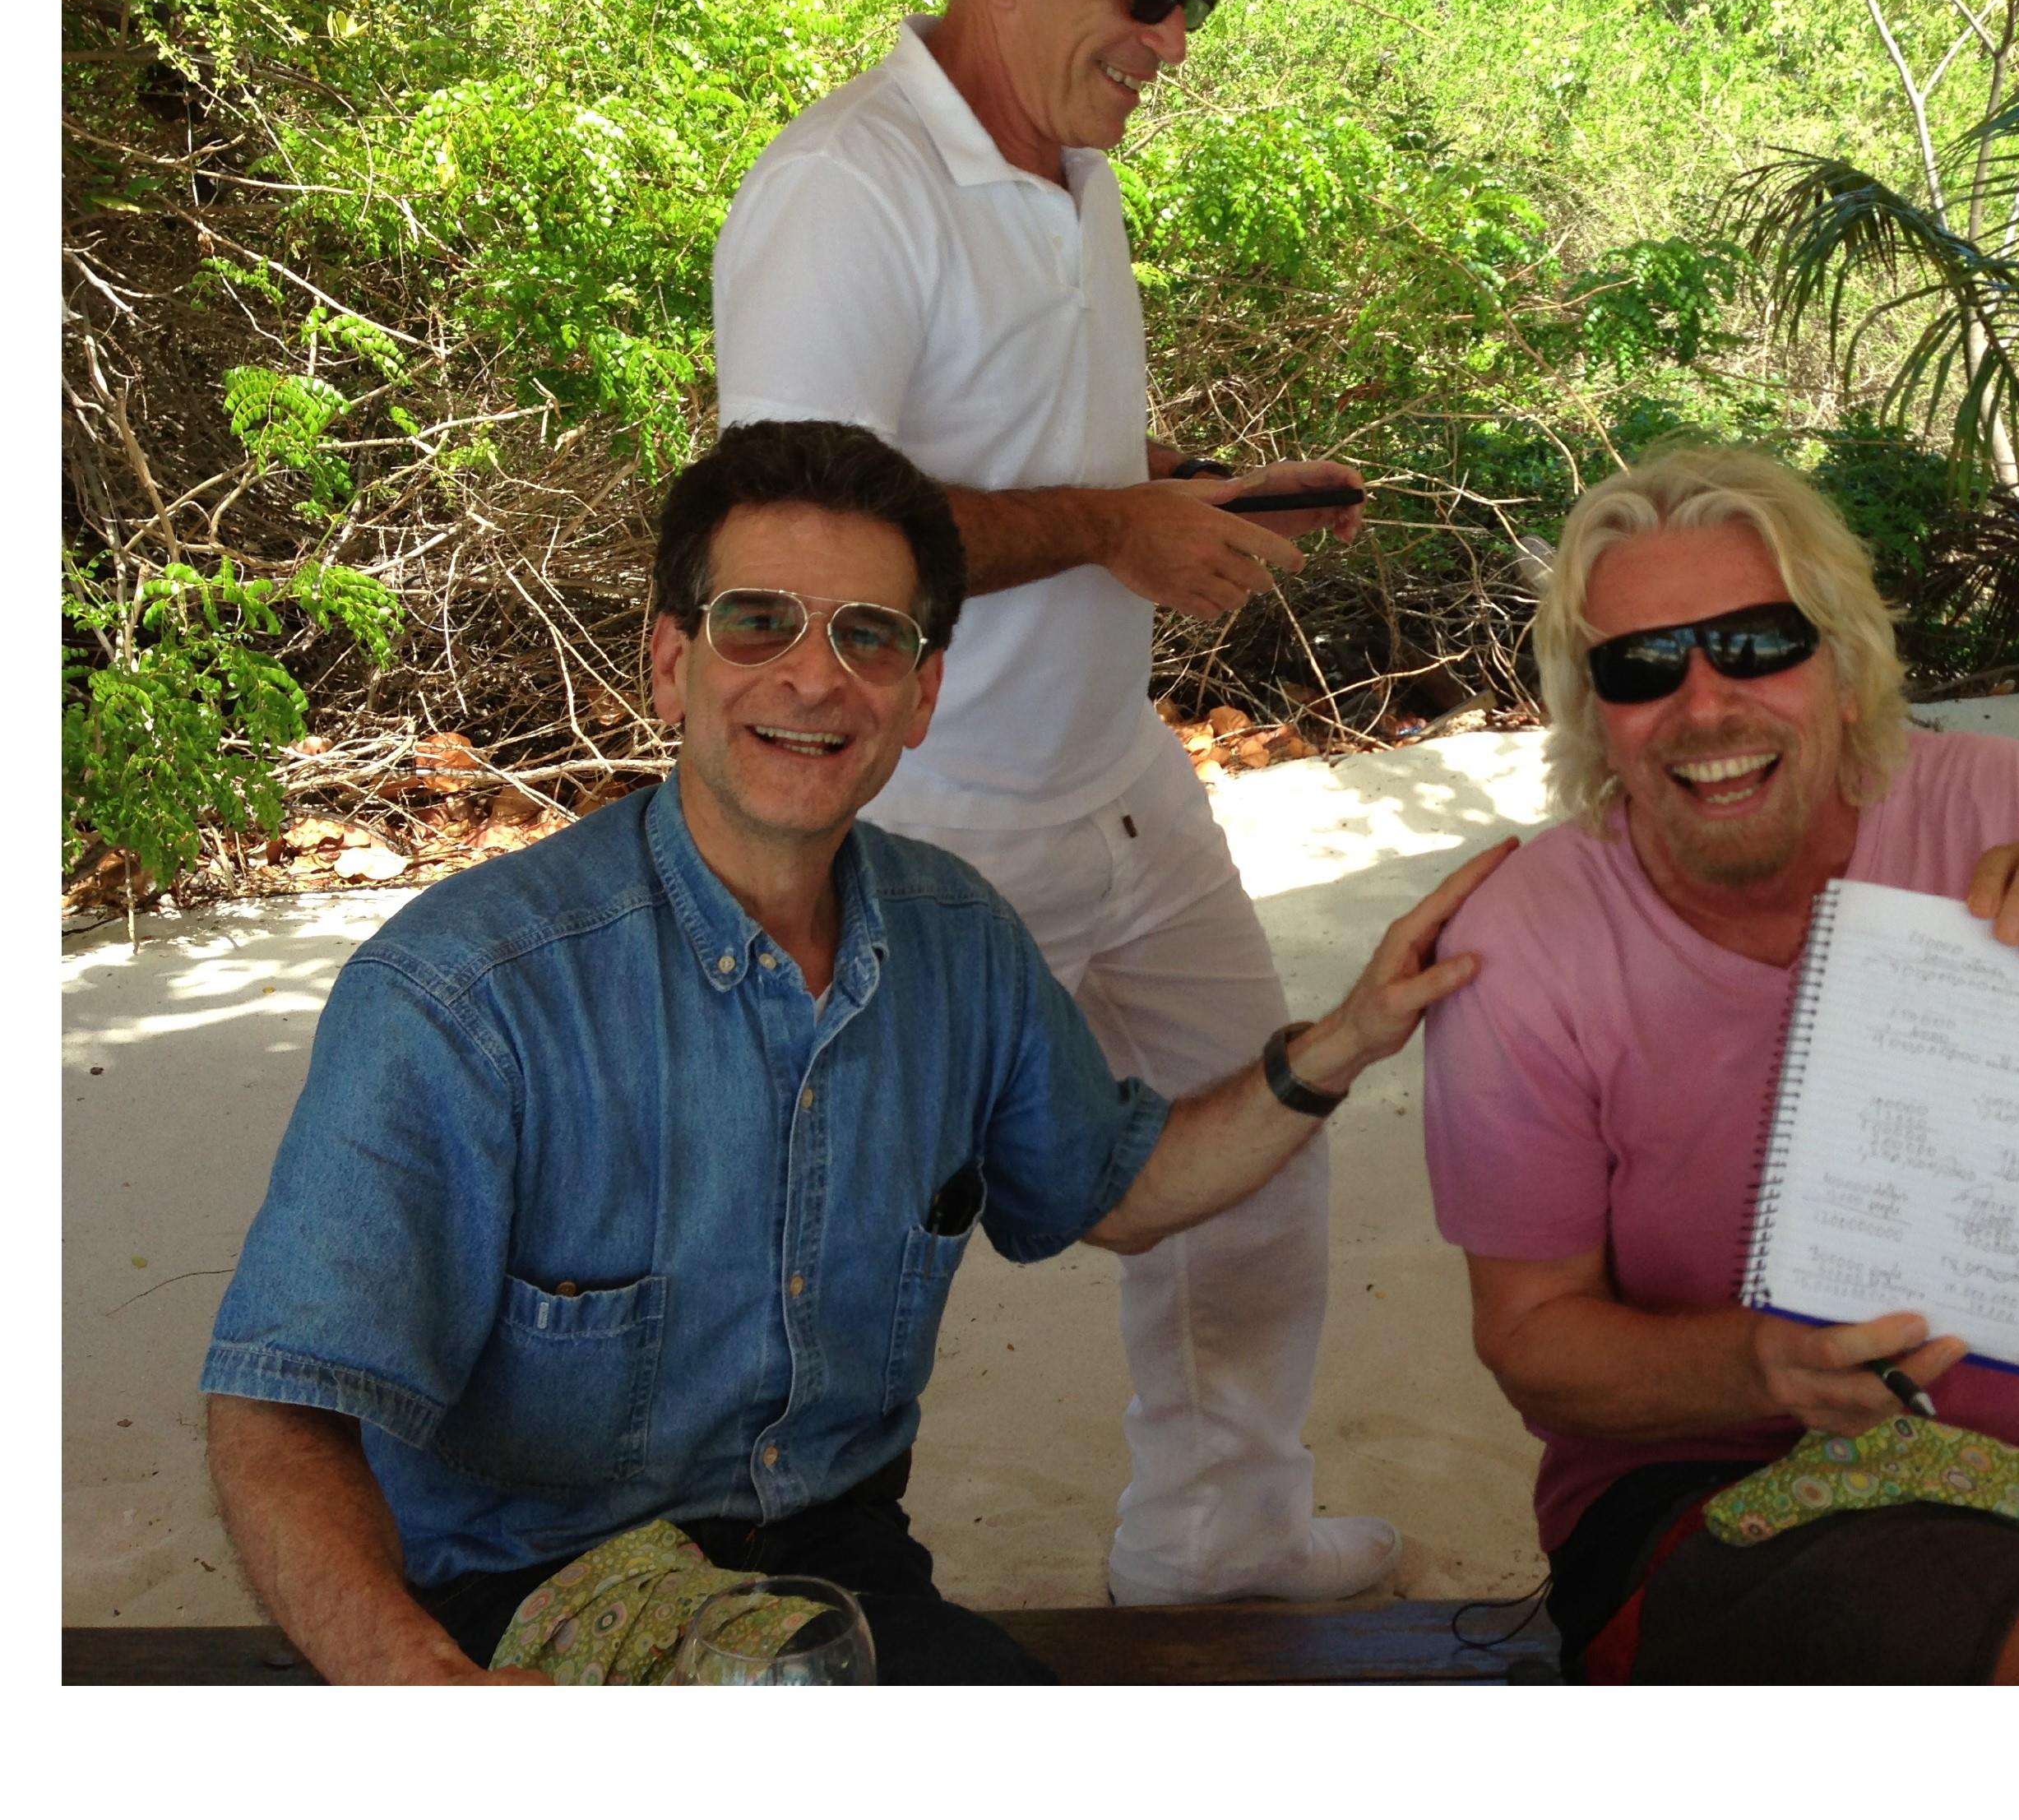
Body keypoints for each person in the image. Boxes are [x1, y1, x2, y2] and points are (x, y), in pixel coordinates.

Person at [200, 419, 1506, 1684]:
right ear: (672, 664)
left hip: (837, 1581)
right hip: (515, 1607)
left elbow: (1117, 1188)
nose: (815, 679)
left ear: (922, 693)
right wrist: (419, 1691)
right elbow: (279, 1405)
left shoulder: (956, 943)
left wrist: (1343, 1040)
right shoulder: (468, 992)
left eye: (869, 636)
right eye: (758, 622)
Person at [710, 0, 1387, 1609]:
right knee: (833, 1255)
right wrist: (1109, 522)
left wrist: (1169, 497)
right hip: (925, 832)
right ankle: (764, 1607)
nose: (1171, 40)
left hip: (1117, 782)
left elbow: (1015, 445)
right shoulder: (848, 189)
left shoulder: (1068, 168)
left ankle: (1219, 1540)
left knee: (1261, 1148)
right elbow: (800, 550)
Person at [1419, 446, 2019, 1683]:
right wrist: (1758, 1364)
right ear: (1598, 717)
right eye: (1643, 667)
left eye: (1757, 643)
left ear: (1845, 668)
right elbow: (1528, 1340)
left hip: (2012, 1479)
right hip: (1690, 1497)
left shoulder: (1998, 814)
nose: (1705, 706)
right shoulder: (1528, 938)